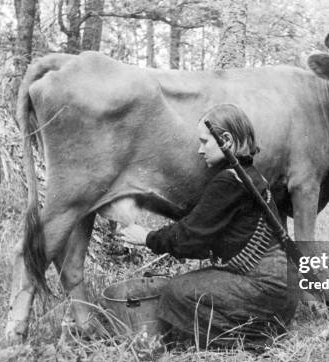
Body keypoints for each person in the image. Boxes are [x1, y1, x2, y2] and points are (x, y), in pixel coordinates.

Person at [120, 103, 297, 349]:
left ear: (226, 139)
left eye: (205, 142)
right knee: (191, 285)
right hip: (282, 289)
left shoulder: (229, 182)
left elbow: (190, 237)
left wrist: (147, 237)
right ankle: (260, 325)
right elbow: (202, 226)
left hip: (267, 287)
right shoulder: (249, 175)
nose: (200, 150)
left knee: (176, 291)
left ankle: (250, 339)